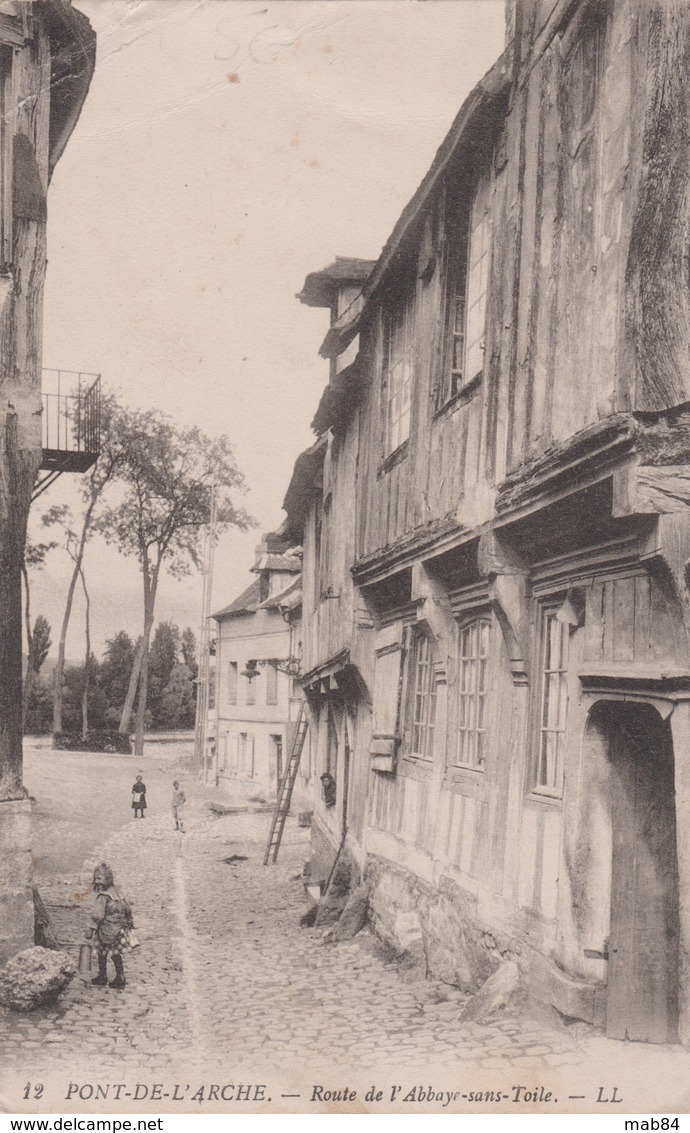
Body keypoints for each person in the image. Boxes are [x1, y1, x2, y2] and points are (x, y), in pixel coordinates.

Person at [87, 863, 133, 989]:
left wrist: (91, 929)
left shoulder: (103, 897)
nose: (97, 881)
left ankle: (102, 975)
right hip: (119, 928)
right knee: (115, 952)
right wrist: (129, 922)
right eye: (95, 878)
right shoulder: (118, 892)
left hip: (106, 929)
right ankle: (120, 975)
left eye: (99, 878)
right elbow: (127, 908)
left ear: (107, 879)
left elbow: (98, 915)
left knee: (102, 952)